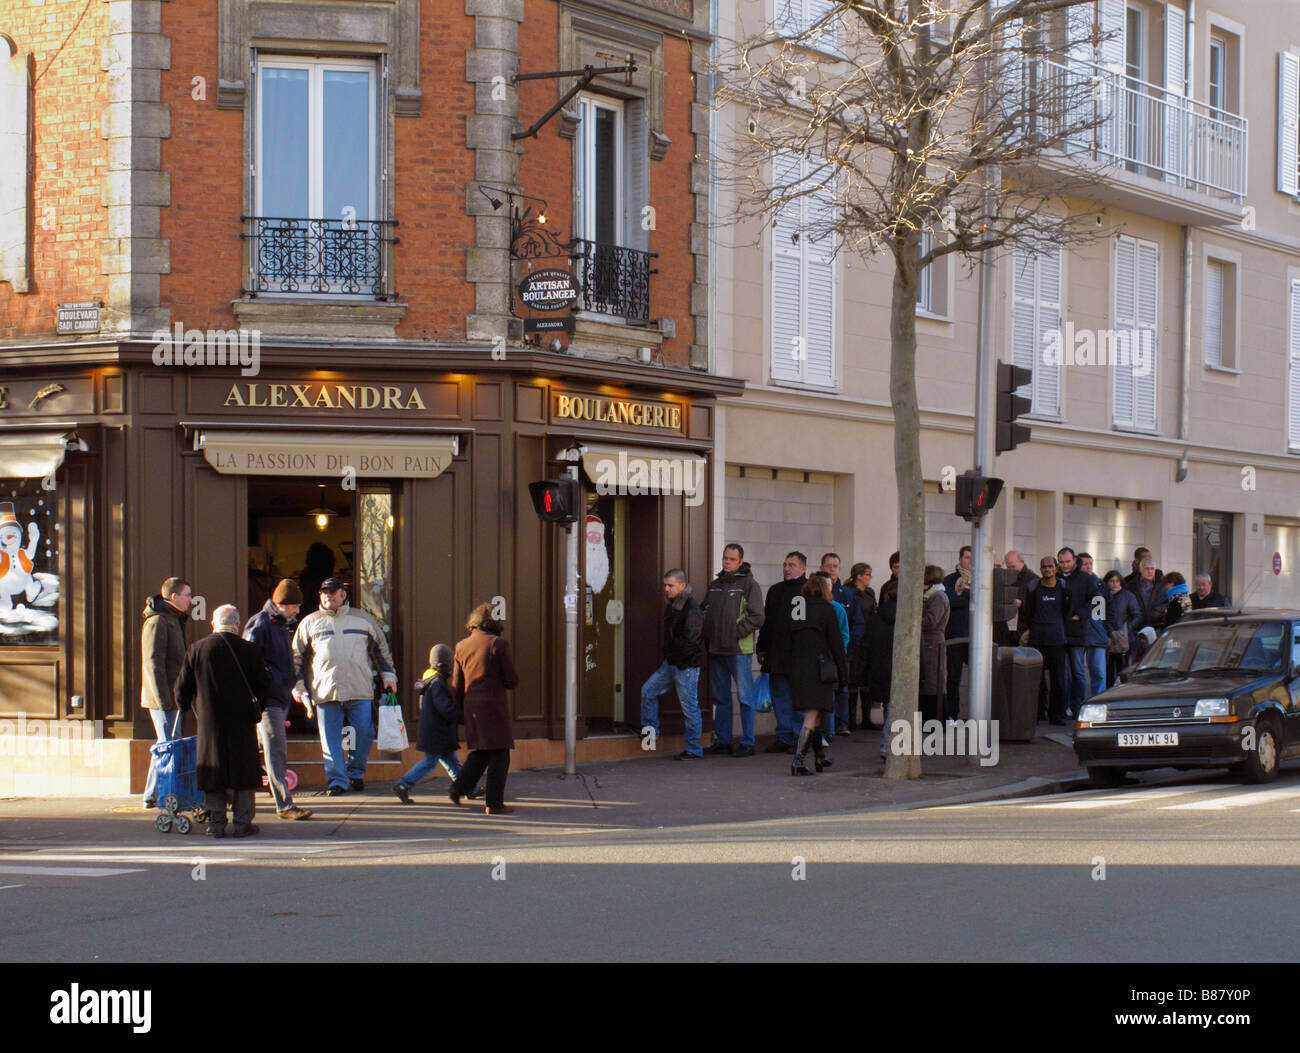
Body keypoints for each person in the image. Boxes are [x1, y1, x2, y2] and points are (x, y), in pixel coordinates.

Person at [291, 578, 396, 796]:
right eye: (324, 593)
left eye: (332, 592)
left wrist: (389, 674)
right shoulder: (309, 623)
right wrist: (299, 686)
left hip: (359, 689)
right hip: (325, 691)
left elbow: (381, 650)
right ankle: (337, 781)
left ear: (343, 595)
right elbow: (296, 658)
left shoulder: (363, 619)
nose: (328, 596)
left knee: (365, 732)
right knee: (330, 740)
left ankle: (355, 773)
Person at [174, 605, 270, 838]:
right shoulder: (250, 650)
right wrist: (257, 710)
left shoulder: (197, 649)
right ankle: (242, 823)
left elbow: (181, 690)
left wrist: (186, 706)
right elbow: (264, 686)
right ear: (237, 624)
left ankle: (216, 823)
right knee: (243, 770)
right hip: (242, 722)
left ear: (212, 623)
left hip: (210, 723)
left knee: (213, 769)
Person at [243, 579, 312, 820]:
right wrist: (271, 684)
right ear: (283, 604)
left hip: (275, 696)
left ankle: (240, 798)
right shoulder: (263, 624)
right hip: (269, 698)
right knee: (274, 749)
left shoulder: (276, 624)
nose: (297, 611)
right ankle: (284, 804)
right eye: (295, 606)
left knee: (266, 748)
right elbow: (249, 661)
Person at [447, 602, 520, 815]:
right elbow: (511, 680)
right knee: (500, 754)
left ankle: (458, 787)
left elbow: (456, 683)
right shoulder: (498, 644)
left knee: (481, 751)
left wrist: (460, 707)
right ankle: (494, 803)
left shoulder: (461, 646)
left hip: (472, 706)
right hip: (493, 707)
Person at [700, 543, 765, 757]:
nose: (727, 562)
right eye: (725, 558)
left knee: (745, 697)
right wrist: (707, 633)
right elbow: (704, 610)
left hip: (738, 650)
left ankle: (748, 742)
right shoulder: (715, 585)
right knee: (721, 698)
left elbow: (757, 616)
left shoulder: (749, 585)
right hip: (716, 650)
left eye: (731, 559)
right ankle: (724, 740)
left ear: (740, 561)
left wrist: (734, 632)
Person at [394, 644, 480, 803]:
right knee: (430, 762)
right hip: (438, 733)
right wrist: (465, 717)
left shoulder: (428, 679)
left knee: (453, 762)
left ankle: (468, 788)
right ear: (446, 663)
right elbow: (445, 709)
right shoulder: (437, 682)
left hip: (436, 732)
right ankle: (403, 784)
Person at [640, 569, 705, 761]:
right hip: (673, 663)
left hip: (685, 665)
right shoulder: (674, 605)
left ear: (682, 586)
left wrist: (679, 660)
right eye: (665, 585)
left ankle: (694, 749)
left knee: (689, 707)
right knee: (648, 691)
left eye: (670, 585)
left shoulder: (691, 609)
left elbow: (692, 641)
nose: (666, 589)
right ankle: (650, 737)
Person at [787, 575, 846, 776]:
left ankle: (820, 755)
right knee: (811, 716)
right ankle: (798, 762)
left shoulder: (798, 606)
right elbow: (837, 645)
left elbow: (789, 635)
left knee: (815, 714)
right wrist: (843, 674)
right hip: (818, 670)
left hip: (798, 667)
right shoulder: (827, 609)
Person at [141, 576, 192, 810]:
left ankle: (151, 794)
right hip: (163, 698)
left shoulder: (173, 619)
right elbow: (153, 664)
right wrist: (164, 700)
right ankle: (162, 795)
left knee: (167, 744)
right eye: (187, 595)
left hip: (172, 695)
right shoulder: (159, 621)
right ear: (174, 596)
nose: (190, 600)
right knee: (168, 746)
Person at [757, 552, 808, 753]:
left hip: (797, 654)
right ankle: (784, 735)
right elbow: (767, 622)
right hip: (776, 653)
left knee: (797, 698)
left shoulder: (806, 591)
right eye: (785, 564)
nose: (787, 568)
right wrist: (761, 646)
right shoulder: (775, 591)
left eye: (792, 565)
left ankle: (798, 737)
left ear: (803, 568)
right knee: (779, 696)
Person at [1022, 556, 1072, 724]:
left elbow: (1068, 611)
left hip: (1057, 639)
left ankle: (1056, 715)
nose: (1047, 569)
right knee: (1037, 679)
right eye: (1043, 567)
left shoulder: (1064, 588)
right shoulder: (1033, 588)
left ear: (1056, 568)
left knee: (1058, 680)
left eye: (1050, 566)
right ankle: (1037, 713)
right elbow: (1027, 612)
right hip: (1037, 639)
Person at [818, 554, 865, 737]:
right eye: (828, 566)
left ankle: (842, 723)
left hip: (843, 651)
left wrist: (850, 642)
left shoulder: (846, 594)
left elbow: (857, 621)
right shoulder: (814, 593)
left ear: (840, 568)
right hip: (823, 652)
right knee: (827, 689)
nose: (831, 569)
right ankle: (825, 727)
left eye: (835, 566)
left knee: (842, 688)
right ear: (822, 567)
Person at [1059, 547, 1106, 713]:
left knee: (1078, 671)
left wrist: (1080, 614)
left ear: (1074, 561)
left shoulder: (1085, 579)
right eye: (1062, 562)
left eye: (1068, 562)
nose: (1065, 565)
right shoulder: (1056, 578)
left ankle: (1077, 706)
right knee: (1063, 673)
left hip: (1077, 631)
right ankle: (1063, 706)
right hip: (1060, 631)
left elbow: (1095, 600)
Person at [942, 546, 972, 723]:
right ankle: (952, 714)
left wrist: (965, 592)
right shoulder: (950, 579)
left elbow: (983, 600)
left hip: (976, 638)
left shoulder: (983, 580)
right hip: (955, 636)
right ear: (960, 559)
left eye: (972, 558)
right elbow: (950, 601)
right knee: (953, 677)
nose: (970, 561)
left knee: (981, 677)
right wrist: (969, 599)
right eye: (967, 558)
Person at [846, 562, 876, 729]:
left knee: (866, 679)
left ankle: (866, 718)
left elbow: (874, 612)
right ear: (859, 576)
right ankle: (850, 720)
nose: (870, 578)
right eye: (867, 574)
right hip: (854, 639)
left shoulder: (870, 593)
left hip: (868, 640)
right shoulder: (850, 593)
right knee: (853, 678)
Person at [866, 578, 897, 739]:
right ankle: (890, 744)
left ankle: (887, 743)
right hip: (899, 670)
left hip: (879, 669)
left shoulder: (875, 619)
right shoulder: (908, 619)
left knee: (888, 706)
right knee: (897, 707)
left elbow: (867, 646)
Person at [920, 565, 950, 726]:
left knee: (933, 682)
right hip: (927, 642)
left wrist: (912, 620)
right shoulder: (928, 595)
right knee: (928, 681)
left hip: (932, 643)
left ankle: (937, 720)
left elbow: (931, 621)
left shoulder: (938, 597)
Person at [1102, 570, 1141, 687]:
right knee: (1107, 670)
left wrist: (1126, 630)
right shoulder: (1102, 596)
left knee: (1122, 669)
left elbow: (1137, 615)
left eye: (1117, 581)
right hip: (1107, 637)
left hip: (1124, 639)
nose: (1115, 584)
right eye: (1112, 581)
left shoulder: (1128, 596)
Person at [1126, 557, 1168, 632]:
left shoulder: (1162, 586)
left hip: (1156, 627)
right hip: (1136, 628)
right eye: (1147, 569)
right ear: (1140, 569)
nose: (1150, 571)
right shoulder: (1131, 586)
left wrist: (1148, 620)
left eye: (1152, 569)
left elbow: (1162, 605)